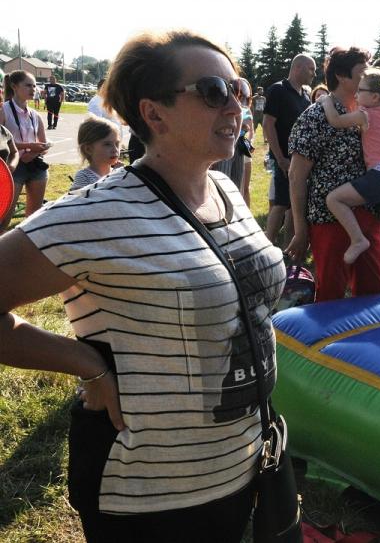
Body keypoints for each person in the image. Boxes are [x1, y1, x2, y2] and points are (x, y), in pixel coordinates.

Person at [0, 30, 287, 542]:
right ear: (154, 114)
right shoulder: (96, 214)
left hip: (240, 464)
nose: (236, 106)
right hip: (149, 492)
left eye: (238, 89)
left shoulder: (223, 187)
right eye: (213, 91)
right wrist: (86, 364)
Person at [286, 46, 380, 300]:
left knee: (373, 295)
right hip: (330, 221)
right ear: (342, 76)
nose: (370, 77)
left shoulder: (370, 114)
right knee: (330, 296)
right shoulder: (316, 116)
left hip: (368, 216)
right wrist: (300, 229)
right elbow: (296, 176)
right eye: (363, 72)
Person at [319, 68, 380, 288]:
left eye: (360, 91)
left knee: (334, 199)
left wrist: (326, 101)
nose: (356, 94)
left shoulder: (366, 114)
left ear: (375, 97)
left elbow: (336, 120)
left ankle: (358, 239)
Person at [262, 54, 315, 244]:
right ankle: (267, 244)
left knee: (295, 205)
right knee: (281, 203)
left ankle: (288, 248)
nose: (314, 74)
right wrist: (280, 158)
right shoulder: (278, 90)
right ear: (298, 68)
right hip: (284, 159)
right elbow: (268, 124)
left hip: (300, 160)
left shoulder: (306, 96)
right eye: (311, 69)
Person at [1, 71, 50, 218]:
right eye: (28, 85)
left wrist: (35, 152)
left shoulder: (35, 115)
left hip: (35, 165)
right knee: (5, 214)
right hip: (12, 166)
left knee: (34, 216)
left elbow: (44, 144)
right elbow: (2, 143)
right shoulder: (3, 110)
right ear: (14, 86)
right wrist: (28, 146)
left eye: (34, 86)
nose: (33, 89)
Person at [211, 77, 253, 201]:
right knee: (222, 192)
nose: (238, 108)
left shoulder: (243, 110)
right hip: (227, 142)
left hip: (238, 144)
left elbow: (249, 127)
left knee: (236, 191)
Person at [69, 116, 121, 191]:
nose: (115, 149)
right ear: (88, 149)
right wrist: (114, 177)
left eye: (117, 144)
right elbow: (84, 198)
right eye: (107, 144)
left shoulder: (118, 172)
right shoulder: (83, 176)